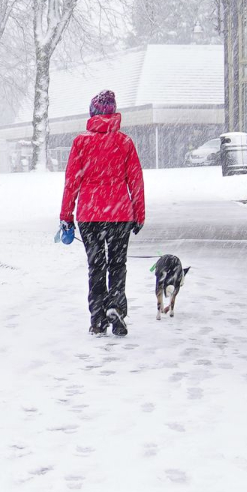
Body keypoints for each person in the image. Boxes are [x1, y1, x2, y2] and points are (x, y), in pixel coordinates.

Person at [60, 89, 146, 336]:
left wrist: (66, 215)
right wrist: (139, 214)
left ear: (93, 113)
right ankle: (116, 306)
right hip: (119, 213)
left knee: (96, 266)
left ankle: (97, 318)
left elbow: (71, 182)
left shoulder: (81, 142)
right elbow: (136, 181)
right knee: (118, 264)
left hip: (89, 215)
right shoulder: (125, 142)